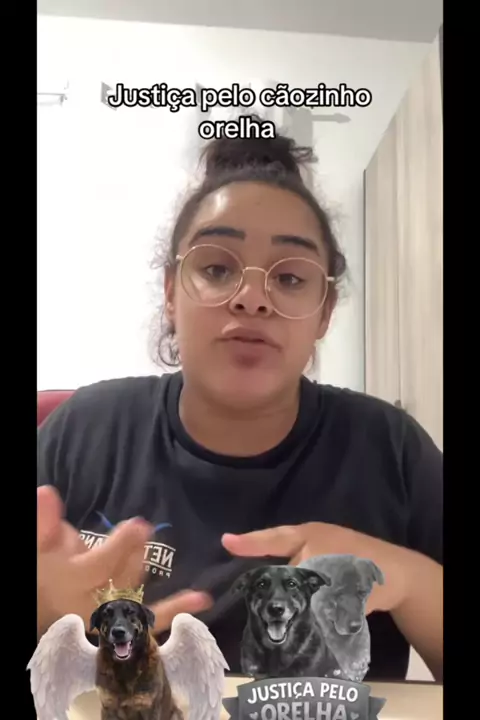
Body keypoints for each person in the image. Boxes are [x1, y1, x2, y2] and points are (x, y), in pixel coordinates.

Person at [37, 124, 443, 683]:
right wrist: (45, 621)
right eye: (217, 269)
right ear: (171, 293)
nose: (252, 298)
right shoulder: (82, 431)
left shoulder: (391, 450)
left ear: (324, 313)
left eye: (291, 277)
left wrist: (409, 580)